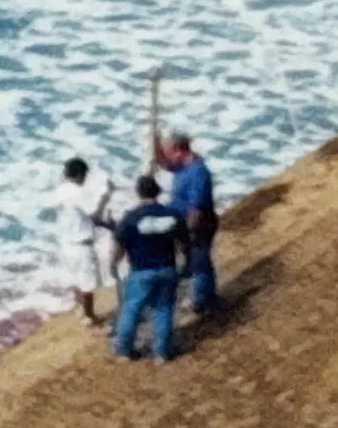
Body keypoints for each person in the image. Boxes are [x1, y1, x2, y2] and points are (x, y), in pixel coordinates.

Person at [107, 175, 186, 362]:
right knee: (163, 309)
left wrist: (113, 267)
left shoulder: (129, 219)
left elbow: (118, 250)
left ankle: (124, 352)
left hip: (140, 271)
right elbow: (184, 245)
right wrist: (185, 264)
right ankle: (161, 353)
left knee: (131, 310)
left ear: (138, 193)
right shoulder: (173, 215)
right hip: (167, 268)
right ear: (157, 192)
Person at [157, 131, 219, 319]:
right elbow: (164, 164)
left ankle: (202, 303)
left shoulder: (197, 172)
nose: (164, 156)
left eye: (166, 151)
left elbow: (196, 209)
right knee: (194, 261)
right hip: (184, 224)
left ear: (177, 150)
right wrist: (154, 143)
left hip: (199, 225)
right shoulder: (182, 166)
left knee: (200, 263)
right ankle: (205, 297)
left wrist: (190, 233)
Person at [47, 156, 110, 327]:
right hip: (81, 242)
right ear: (80, 174)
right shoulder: (77, 192)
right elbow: (94, 214)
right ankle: (89, 316)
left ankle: (81, 309)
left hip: (66, 242)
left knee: (77, 279)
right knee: (87, 283)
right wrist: (105, 197)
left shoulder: (59, 191)